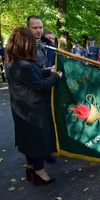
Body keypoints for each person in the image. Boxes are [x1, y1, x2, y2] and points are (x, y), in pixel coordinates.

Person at [4, 27, 63, 186]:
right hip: (33, 110)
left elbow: (35, 74)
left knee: (28, 140)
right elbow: (39, 85)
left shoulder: (11, 61)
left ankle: (30, 167)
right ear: (24, 43)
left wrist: (48, 71)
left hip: (21, 108)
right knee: (37, 141)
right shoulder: (24, 65)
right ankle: (39, 171)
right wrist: (56, 77)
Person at [26, 15, 57, 163]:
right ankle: (38, 159)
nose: (38, 30)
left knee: (47, 123)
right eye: (35, 28)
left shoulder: (44, 43)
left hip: (47, 85)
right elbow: (28, 70)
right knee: (37, 128)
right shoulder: (25, 46)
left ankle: (46, 151)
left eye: (40, 27)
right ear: (28, 28)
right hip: (35, 90)